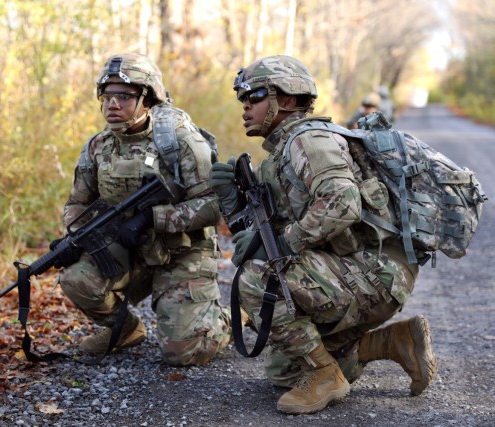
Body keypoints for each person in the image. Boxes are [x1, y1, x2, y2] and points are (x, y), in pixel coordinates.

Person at [209, 55, 438, 414]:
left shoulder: (309, 140)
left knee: (258, 279)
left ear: (286, 99)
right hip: (352, 271)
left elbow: (343, 202)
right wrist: (233, 205)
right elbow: (259, 238)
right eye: (242, 99)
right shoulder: (281, 154)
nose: (245, 105)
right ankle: (394, 342)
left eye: (254, 95)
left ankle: (324, 372)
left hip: (374, 272)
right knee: (283, 371)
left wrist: (285, 244)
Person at [55, 52, 231, 366]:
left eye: (123, 96)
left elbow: (213, 206)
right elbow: (77, 204)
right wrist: (75, 236)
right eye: (106, 96)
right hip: (130, 248)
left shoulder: (180, 142)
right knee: (76, 279)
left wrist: (154, 217)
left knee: (185, 352)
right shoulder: (97, 147)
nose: (112, 104)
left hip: (181, 252)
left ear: (147, 98)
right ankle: (123, 330)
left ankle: (232, 318)